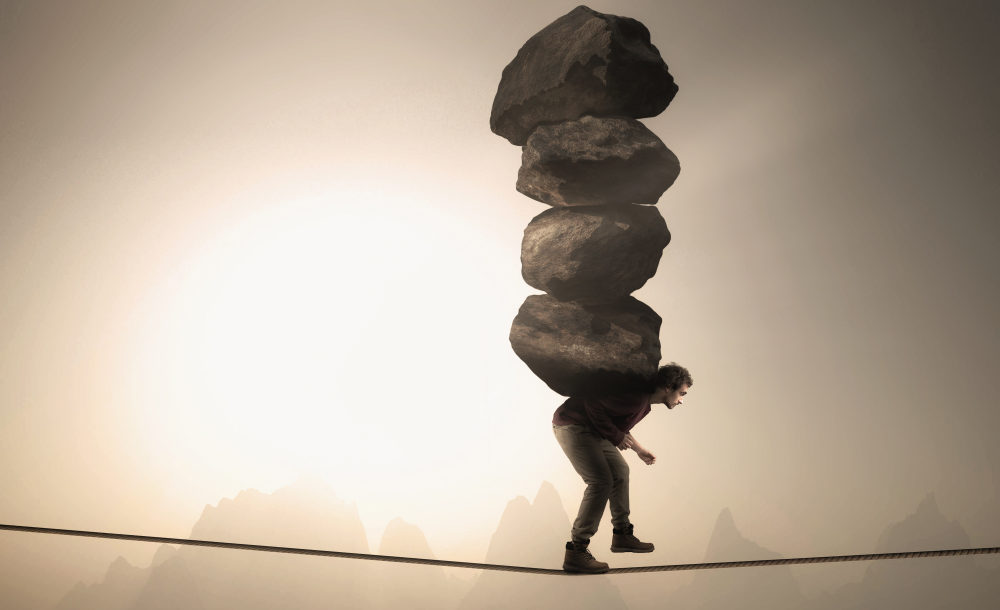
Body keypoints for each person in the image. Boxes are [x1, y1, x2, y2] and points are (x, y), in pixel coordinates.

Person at [552, 362, 693, 574]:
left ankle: (622, 534)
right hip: (573, 425)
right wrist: (616, 437)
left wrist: (639, 450)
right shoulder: (636, 397)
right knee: (601, 482)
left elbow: (617, 426)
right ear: (667, 387)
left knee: (620, 472)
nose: (682, 400)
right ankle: (577, 551)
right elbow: (593, 404)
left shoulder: (643, 404)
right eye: (681, 393)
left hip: (593, 429)